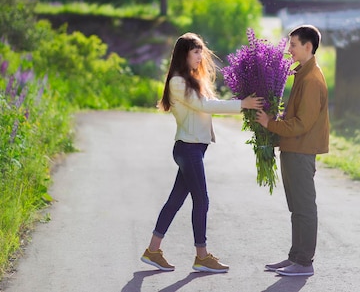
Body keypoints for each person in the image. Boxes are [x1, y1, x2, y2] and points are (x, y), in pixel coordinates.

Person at [141, 32, 263, 273]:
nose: (200, 56)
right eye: (196, 52)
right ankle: (202, 256)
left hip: (193, 149)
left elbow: (207, 105)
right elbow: (204, 106)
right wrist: (242, 104)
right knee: (202, 200)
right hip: (188, 149)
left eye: (201, 52)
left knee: (175, 201)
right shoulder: (177, 82)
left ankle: (152, 251)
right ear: (183, 54)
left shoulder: (192, 80)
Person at [255, 25, 330, 277]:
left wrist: (270, 124)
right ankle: (295, 258)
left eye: (294, 45)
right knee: (296, 207)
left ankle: (304, 263)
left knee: (304, 207)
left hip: (301, 151)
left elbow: (302, 124)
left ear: (308, 47)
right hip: (292, 149)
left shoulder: (311, 79)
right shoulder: (302, 75)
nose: (289, 50)